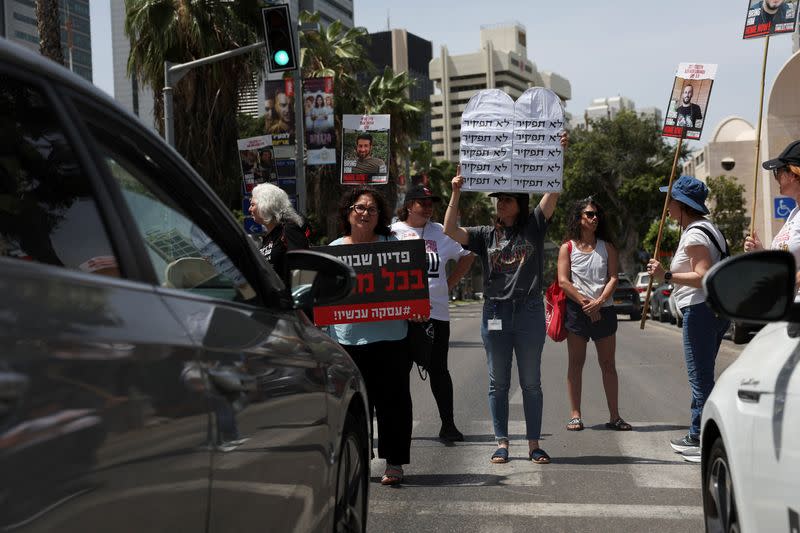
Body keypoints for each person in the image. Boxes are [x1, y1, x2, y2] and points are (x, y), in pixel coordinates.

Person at [442, 132, 567, 465]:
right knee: (498, 383)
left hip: (527, 312)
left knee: (531, 383)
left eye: (508, 198)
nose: (501, 203)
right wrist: (455, 191)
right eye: (498, 199)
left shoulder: (535, 226)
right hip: (494, 311)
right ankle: (501, 443)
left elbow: (552, 191)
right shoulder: (485, 234)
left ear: (520, 202)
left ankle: (534, 444)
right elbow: (449, 231)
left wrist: (558, 153)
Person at [326, 187, 413, 486]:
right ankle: (357, 461)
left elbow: (411, 286)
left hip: (391, 340)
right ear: (348, 212)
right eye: (359, 208)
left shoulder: (393, 244)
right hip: (347, 342)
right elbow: (325, 298)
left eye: (372, 209)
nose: (364, 213)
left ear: (380, 216)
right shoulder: (333, 249)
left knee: (394, 404)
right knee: (354, 408)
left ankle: (394, 463)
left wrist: (416, 308)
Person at [646, 175, 730, 455]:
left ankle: (699, 437)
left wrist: (665, 274)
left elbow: (703, 275)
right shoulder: (707, 229)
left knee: (700, 378)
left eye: (670, 201)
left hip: (701, 310)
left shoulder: (694, 233)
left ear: (682, 204)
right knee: (703, 376)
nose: (667, 207)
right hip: (712, 310)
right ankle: (704, 434)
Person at [391, 184, 475, 442]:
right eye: (422, 202)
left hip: (435, 313)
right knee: (397, 373)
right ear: (408, 205)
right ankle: (397, 429)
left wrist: (449, 284)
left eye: (431, 202)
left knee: (439, 370)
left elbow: (468, 254)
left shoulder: (441, 232)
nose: (428, 206)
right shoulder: (392, 233)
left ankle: (448, 425)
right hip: (400, 315)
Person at [557, 198, 631, 433]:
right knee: (576, 364)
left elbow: (613, 278)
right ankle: (575, 415)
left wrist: (598, 303)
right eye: (589, 214)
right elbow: (563, 281)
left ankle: (615, 416)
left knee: (608, 364)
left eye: (597, 214)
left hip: (604, 312)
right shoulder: (567, 248)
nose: (594, 218)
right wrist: (585, 303)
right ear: (579, 219)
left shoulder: (607, 246)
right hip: (578, 313)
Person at [744, 139, 800, 290]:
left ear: (794, 174)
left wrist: (784, 282)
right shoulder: (794, 213)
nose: (776, 178)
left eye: (778, 172)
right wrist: (761, 251)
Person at [248, 183, 308, 277]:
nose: (249, 209)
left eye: (252, 204)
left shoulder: (289, 229)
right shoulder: (267, 237)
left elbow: (302, 267)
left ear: (266, 204)